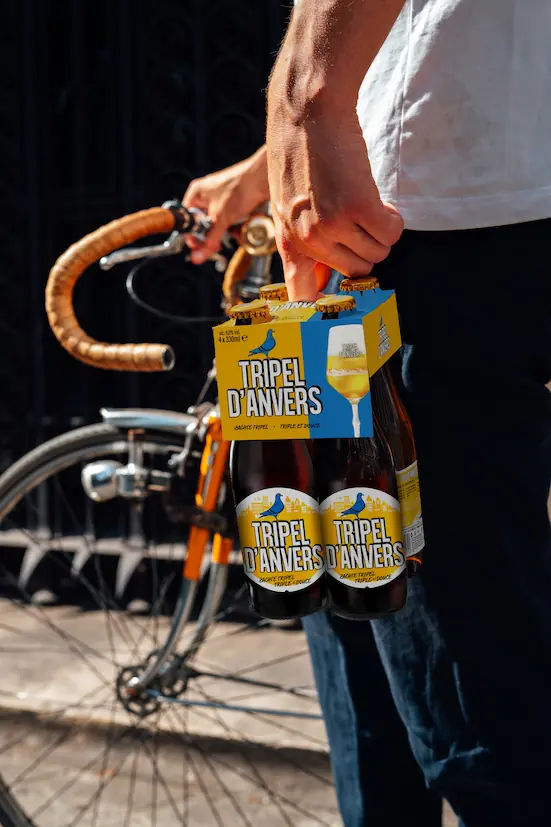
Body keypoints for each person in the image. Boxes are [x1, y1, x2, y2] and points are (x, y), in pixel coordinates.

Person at [264, 2, 551, 826]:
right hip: (468, 187)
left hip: (435, 214)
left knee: (467, 697)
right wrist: (272, 158)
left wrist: (304, 101)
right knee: (358, 600)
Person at [183, 155, 442, 825]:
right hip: (356, 277)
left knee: (424, 694)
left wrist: (267, 168)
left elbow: (364, 66)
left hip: (380, 262)